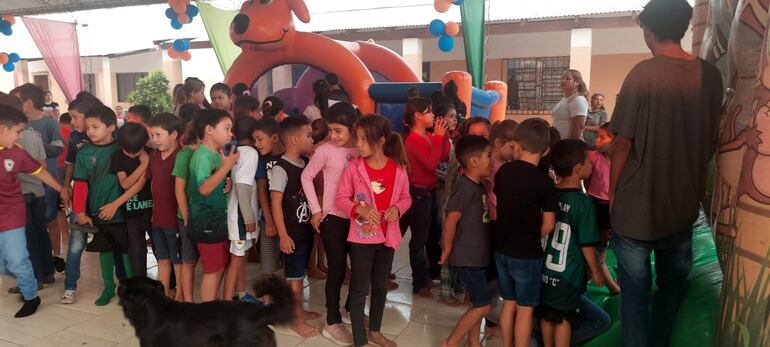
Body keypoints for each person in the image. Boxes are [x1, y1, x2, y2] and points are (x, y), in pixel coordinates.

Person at [609, 1, 723, 346]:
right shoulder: (710, 75)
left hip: (636, 210)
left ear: (649, 29)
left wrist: (613, 192)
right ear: (684, 27)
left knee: (633, 298)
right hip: (682, 208)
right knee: (671, 289)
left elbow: (623, 143)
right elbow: (711, 142)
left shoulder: (643, 73)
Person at [336, 114, 411, 347]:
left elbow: (406, 197)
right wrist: (358, 209)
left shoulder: (398, 169)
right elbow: (341, 198)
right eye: (357, 139)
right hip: (361, 238)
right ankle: (360, 339)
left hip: (387, 237)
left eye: (362, 139)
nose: (357, 144)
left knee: (380, 286)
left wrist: (397, 209)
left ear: (379, 141)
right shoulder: (354, 168)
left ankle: (375, 332)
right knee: (360, 287)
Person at [0, 104, 69, 317]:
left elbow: (39, 171)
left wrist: (61, 189)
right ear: (2, 128)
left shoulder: (16, 152)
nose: (20, 137)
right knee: (4, 265)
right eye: (17, 132)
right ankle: (26, 275)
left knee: (18, 258)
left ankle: (31, 296)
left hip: (12, 213)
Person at [493, 118, 557, 347]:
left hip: (501, 248)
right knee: (525, 308)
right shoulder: (545, 183)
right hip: (526, 254)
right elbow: (549, 225)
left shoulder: (503, 172)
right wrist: (532, 234)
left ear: (516, 144)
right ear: (546, 149)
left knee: (508, 303)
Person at [301, 102, 360, 344]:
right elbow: (306, 176)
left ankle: (348, 310)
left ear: (353, 128)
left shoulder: (362, 148)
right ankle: (332, 321)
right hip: (333, 218)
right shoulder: (325, 150)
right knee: (336, 269)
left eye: (338, 131)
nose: (333, 136)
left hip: (358, 218)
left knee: (359, 267)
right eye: (330, 130)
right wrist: (316, 210)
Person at [539, 139, 606, 347]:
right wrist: (596, 270)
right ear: (578, 169)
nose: (592, 164)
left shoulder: (549, 193)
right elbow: (587, 244)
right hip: (567, 274)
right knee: (564, 319)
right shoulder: (583, 203)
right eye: (588, 161)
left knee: (548, 315)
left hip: (545, 272)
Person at [72, 106, 138, 306]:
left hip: (122, 211)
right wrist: (80, 212)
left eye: (95, 127)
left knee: (126, 250)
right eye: (88, 127)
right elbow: (80, 184)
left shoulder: (123, 148)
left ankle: (130, 288)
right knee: (105, 250)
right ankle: (109, 287)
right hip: (97, 211)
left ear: (111, 127)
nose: (90, 131)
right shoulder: (84, 153)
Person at [438, 135, 493, 347]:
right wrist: (448, 248)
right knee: (483, 305)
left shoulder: (478, 185)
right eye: (489, 156)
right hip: (468, 257)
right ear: (473, 162)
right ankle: (450, 342)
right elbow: (451, 218)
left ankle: (473, 342)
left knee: (474, 302)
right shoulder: (465, 187)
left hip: (477, 256)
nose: (492, 160)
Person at [270, 116, 319, 337]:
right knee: (294, 279)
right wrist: (282, 235)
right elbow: (276, 204)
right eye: (308, 135)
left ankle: (299, 310)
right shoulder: (281, 168)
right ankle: (295, 319)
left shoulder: (304, 164)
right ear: (294, 139)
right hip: (291, 234)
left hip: (305, 231)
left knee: (300, 275)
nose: (312, 139)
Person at [12, 84, 66, 268]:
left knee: (49, 220)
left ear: (28, 102)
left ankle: (54, 258)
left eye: (18, 101)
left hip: (46, 179)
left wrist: (38, 143)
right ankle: (42, 265)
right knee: (33, 227)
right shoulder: (18, 123)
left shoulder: (49, 123)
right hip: (24, 184)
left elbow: (59, 148)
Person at [187, 109, 238, 302]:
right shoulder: (202, 156)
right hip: (206, 221)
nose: (230, 134)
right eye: (226, 128)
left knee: (218, 266)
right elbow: (204, 188)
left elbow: (214, 183)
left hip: (217, 219)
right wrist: (227, 166)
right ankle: (207, 316)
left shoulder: (215, 154)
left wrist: (227, 182)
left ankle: (214, 307)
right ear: (209, 129)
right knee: (212, 270)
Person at [404, 97, 451, 298]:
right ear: (418, 115)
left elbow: (443, 156)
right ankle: (418, 282)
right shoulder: (412, 140)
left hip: (429, 192)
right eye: (429, 111)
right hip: (418, 194)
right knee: (419, 238)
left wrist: (444, 135)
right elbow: (431, 165)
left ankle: (428, 274)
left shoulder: (427, 136)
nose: (433, 115)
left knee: (432, 234)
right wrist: (439, 137)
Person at [60, 96, 104, 304]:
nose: (72, 122)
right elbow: (70, 163)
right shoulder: (75, 138)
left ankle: (118, 284)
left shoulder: (108, 137)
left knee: (112, 242)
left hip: (105, 198)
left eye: (74, 117)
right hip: (80, 197)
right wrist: (65, 187)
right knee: (76, 244)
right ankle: (69, 286)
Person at [223, 116, 260, 302]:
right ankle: (228, 302)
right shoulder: (251, 153)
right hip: (240, 216)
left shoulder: (235, 150)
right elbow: (242, 186)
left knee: (241, 256)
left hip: (238, 212)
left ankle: (241, 293)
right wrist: (249, 218)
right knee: (236, 260)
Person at [148, 113, 184, 299]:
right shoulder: (154, 156)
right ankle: (162, 297)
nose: (154, 140)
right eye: (152, 135)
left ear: (174, 134)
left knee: (177, 260)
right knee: (162, 258)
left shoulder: (183, 155)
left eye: (158, 135)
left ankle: (180, 295)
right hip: (157, 219)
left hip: (175, 219)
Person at [110, 123, 152, 277]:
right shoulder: (117, 156)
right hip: (131, 213)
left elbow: (142, 183)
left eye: (136, 151)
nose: (132, 154)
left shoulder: (151, 153)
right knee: (136, 250)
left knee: (161, 250)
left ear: (144, 144)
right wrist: (144, 164)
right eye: (127, 151)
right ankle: (140, 284)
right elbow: (126, 184)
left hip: (152, 211)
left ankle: (170, 284)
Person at [586, 124, 621, 295]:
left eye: (602, 137)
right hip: (596, 204)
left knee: (607, 245)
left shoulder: (622, 161)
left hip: (613, 206)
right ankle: (612, 287)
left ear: (615, 141)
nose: (597, 140)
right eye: (597, 136)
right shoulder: (593, 156)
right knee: (598, 247)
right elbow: (587, 178)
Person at [172, 114, 202, 303]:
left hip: (206, 216)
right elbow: (179, 190)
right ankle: (188, 300)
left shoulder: (210, 153)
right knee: (188, 260)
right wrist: (186, 217)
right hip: (188, 217)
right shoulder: (184, 155)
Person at [252, 117, 284, 275]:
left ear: (275, 137)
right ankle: (267, 300)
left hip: (290, 220)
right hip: (269, 220)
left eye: (260, 139)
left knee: (290, 268)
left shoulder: (291, 157)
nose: (257, 144)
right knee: (268, 268)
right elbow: (262, 190)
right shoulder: (262, 161)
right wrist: (269, 221)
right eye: (255, 140)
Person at [551, 70, 589, 140]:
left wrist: (570, 145)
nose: (563, 81)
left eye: (567, 79)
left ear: (577, 82)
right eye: (562, 78)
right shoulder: (565, 99)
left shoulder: (578, 100)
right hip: (557, 141)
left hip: (567, 143)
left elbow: (578, 127)